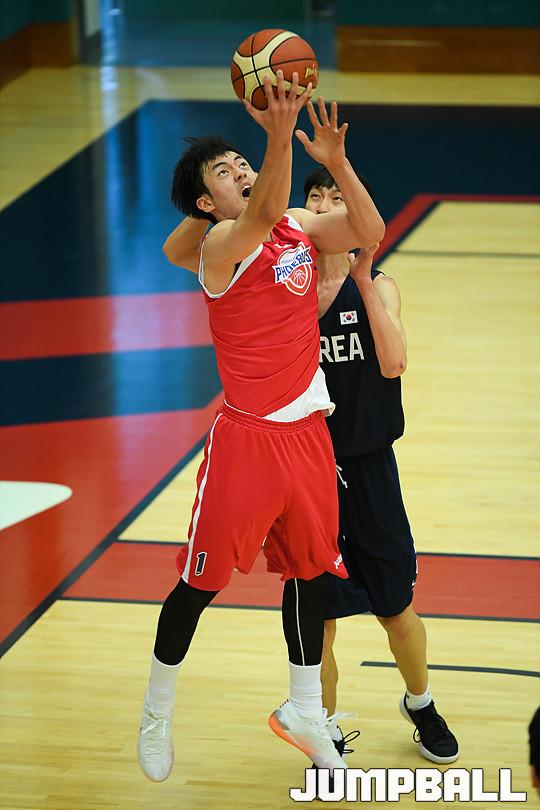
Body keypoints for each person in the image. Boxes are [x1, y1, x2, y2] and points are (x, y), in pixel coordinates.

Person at [137, 73, 385, 783]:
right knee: (200, 583)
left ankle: (306, 710)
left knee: (312, 572)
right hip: (246, 441)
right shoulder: (220, 244)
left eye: (243, 162)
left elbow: (368, 233)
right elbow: (259, 211)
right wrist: (277, 137)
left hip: (308, 434)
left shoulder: (295, 225)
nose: (241, 171)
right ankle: (156, 712)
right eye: (224, 171)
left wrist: (336, 163)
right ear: (205, 204)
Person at [302, 166, 459, 765]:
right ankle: (324, 729)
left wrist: (362, 279)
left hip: (370, 468)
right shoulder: (285, 292)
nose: (323, 207)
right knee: (317, 618)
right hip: (307, 473)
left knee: (396, 609)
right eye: (314, 198)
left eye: (335, 198)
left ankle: (421, 703)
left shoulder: (381, 285)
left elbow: (393, 364)